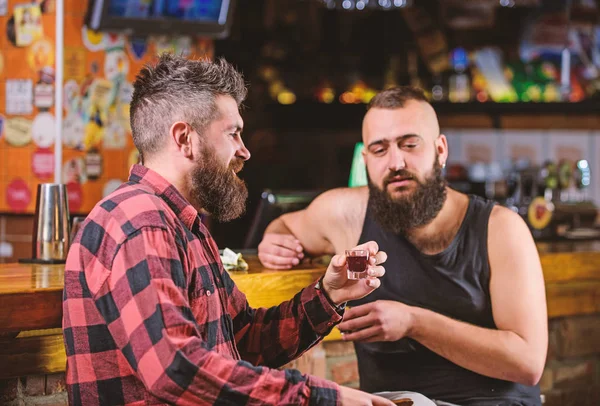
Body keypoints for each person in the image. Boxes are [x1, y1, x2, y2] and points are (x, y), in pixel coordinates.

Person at [62, 54, 396, 406]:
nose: (245, 151)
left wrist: (328, 295)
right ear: (184, 139)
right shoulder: (141, 222)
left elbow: (246, 340)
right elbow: (174, 368)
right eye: (233, 134)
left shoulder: (184, 225)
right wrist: (322, 398)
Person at [258, 87, 548, 406]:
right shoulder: (348, 214)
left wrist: (413, 323)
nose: (396, 162)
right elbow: (283, 225)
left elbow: (528, 363)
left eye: (410, 145)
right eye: (380, 150)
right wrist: (275, 242)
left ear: (440, 149)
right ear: (366, 160)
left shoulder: (500, 228)